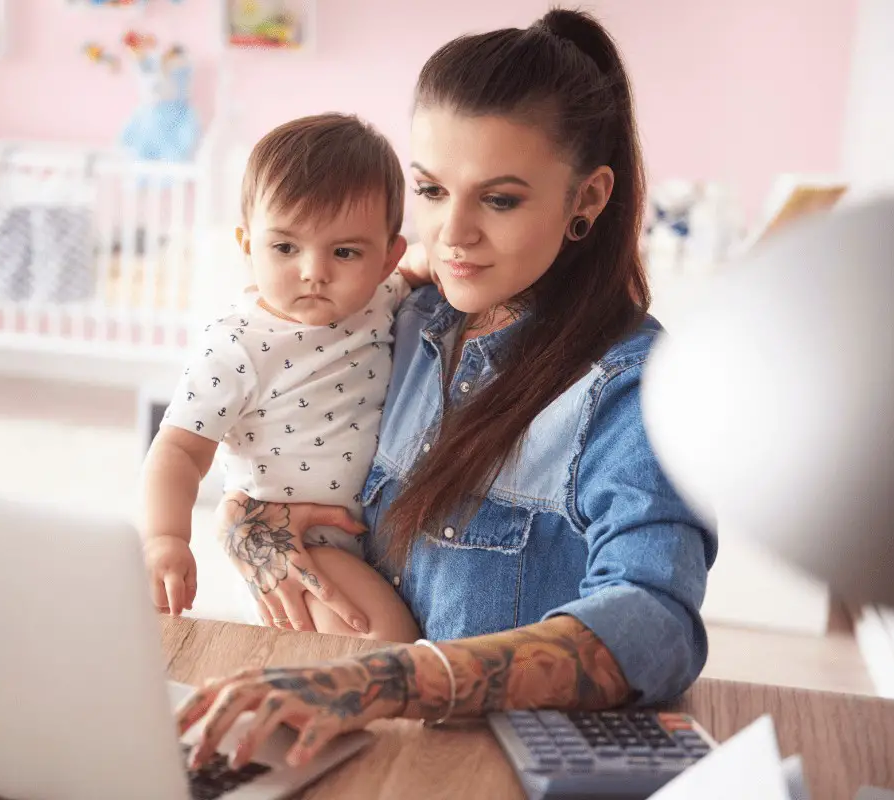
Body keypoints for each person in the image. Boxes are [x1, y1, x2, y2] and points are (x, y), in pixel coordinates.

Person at [175, 8, 718, 773]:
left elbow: (654, 625)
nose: (451, 234)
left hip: (482, 767)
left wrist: (387, 678)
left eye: (499, 200)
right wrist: (249, 521)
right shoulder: (400, 322)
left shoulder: (634, 391)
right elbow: (282, 437)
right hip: (348, 746)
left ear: (587, 200)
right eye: (430, 190)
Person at [141, 113, 427, 642]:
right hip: (300, 539)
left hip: (368, 533)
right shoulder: (237, 345)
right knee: (386, 642)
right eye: (286, 248)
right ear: (247, 244)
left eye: (345, 251)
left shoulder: (384, 298)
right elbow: (178, 450)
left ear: (388, 257)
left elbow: (426, 266)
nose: (313, 270)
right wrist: (165, 536)